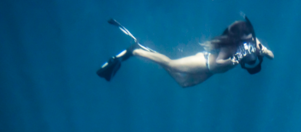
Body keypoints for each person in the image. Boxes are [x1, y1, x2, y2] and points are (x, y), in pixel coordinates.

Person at [97, 17, 274, 87]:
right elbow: (220, 61)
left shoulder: (254, 43)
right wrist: (231, 62)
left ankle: (146, 52)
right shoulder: (231, 48)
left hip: (209, 72)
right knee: (171, 64)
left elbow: (272, 56)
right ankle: (135, 51)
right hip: (204, 63)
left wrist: (264, 51)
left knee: (184, 83)